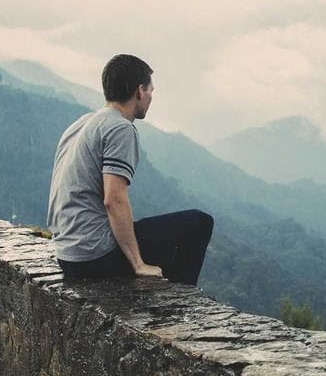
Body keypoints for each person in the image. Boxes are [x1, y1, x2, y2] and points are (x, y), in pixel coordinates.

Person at [47, 54, 213, 285]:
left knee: (161, 240)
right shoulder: (120, 128)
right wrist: (138, 264)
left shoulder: (82, 123)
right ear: (139, 92)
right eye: (151, 91)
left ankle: (166, 295)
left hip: (67, 253)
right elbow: (113, 200)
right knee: (199, 223)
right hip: (93, 256)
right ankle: (181, 304)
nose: (151, 97)